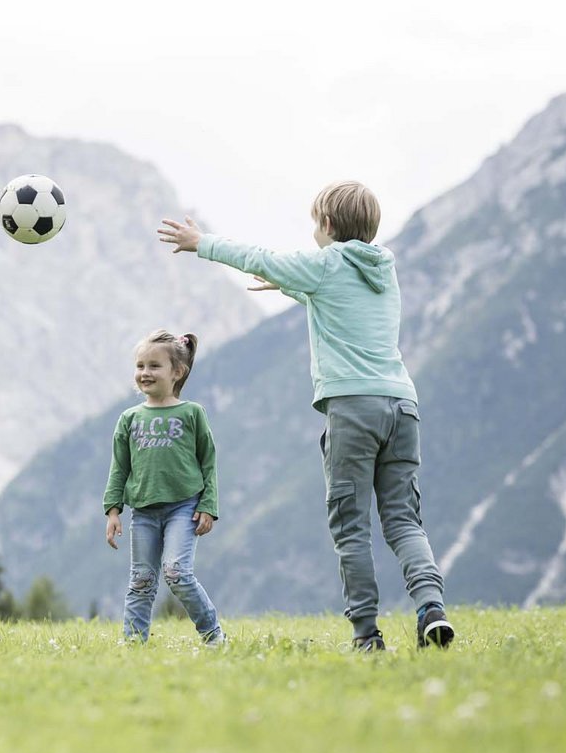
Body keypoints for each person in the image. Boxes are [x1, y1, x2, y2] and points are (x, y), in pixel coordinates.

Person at [159, 180, 455, 652]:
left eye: (315, 222)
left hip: (353, 409)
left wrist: (203, 244)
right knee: (403, 521)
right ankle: (431, 608)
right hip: (402, 407)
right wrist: (291, 288)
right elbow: (338, 304)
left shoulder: (326, 263)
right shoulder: (384, 270)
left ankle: (366, 635)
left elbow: (263, 258)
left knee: (351, 525)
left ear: (328, 225)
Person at [102, 329, 225, 647]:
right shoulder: (128, 419)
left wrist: (208, 505)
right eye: (140, 366)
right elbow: (120, 468)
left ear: (177, 371)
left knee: (176, 572)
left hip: (183, 508)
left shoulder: (191, 413)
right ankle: (133, 644)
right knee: (141, 580)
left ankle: (213, 635)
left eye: (154, 366)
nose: (145, 373)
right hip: (143, 511)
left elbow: (208, 462)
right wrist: (113, 510)